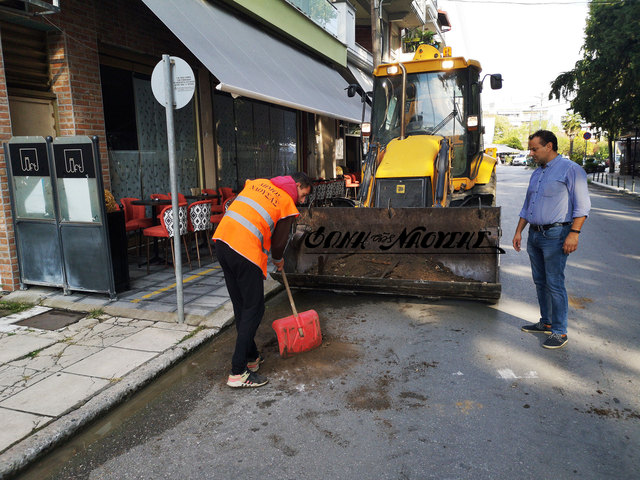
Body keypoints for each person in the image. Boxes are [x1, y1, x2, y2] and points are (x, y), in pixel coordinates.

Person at [212, 172, 312, 387]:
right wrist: (278, 260)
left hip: (222, 242)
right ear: (297, 185)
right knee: (254, 309)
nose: (302, 201)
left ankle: (251, 357)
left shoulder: (258, 183)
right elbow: (278, 244)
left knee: (241, 306)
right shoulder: (286, 202)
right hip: (244, 250)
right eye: (304, 195)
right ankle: (238, 372)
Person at [512, 130, 591, 349]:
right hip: (534, 234)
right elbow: (528, 206)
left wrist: (574, 233)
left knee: (555, 283)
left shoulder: (571, 170)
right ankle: (546, 322)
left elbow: (582, 206)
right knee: (540, 282)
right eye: (530, 149)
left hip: (556, 235)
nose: (531, 153)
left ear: (549, 146)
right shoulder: (537, 173)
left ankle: (559, 331)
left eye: (534, 149)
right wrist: (519, 231)